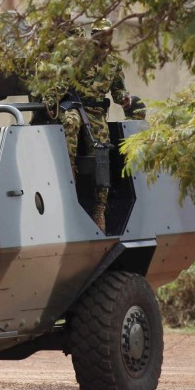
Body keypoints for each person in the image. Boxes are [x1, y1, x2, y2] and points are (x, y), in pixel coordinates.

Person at [58, 18, 132, 233]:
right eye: (99, 33)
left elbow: (118, 89)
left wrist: (123, 98)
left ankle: (99, 208)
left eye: (107, 33)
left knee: (102, 151)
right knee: (70, 124)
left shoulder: (113, 63)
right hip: (75, 105)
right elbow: (62, 81)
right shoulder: (78, 56)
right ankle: (69, 176)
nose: (103, 37)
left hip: (97, 112)